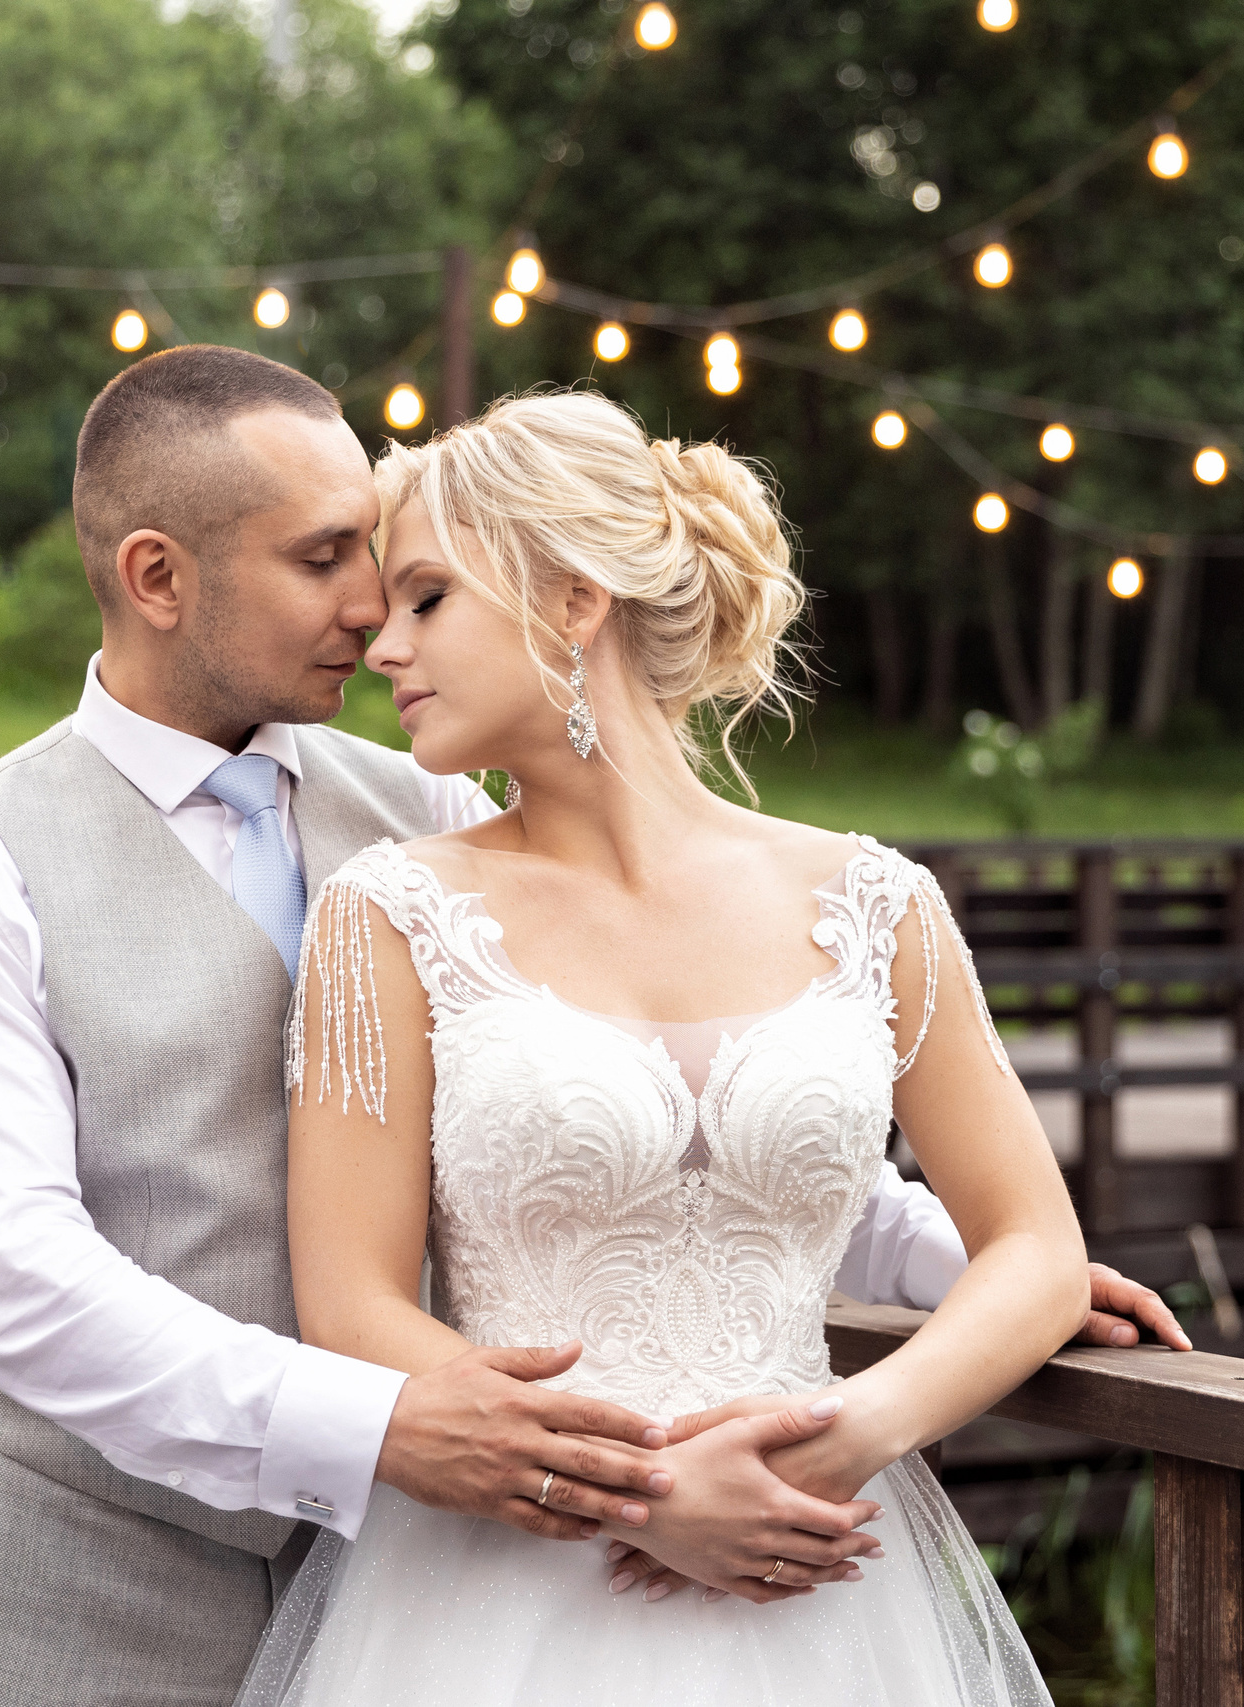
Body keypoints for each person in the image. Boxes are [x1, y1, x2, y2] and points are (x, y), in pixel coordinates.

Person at [0, 348, 1185, 1706]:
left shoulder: (433, 805)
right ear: (158, 578)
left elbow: (628, 1105)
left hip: (468, 1558)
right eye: (326, 560)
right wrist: (416, 1433)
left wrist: (971, 1263)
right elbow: (13, 1278)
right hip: (104, 1569)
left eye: (401, 576)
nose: (372, 612)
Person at [239, 388, 1136, 1706]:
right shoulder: (388, 914)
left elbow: (1038, 1250)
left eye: (427, 597)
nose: (384, 644)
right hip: (504, 1597)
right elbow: (353, 1308)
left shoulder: (877, 903)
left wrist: (846, 1435)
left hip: (820, 1576)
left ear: (573, 599)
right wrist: (645, 1493)